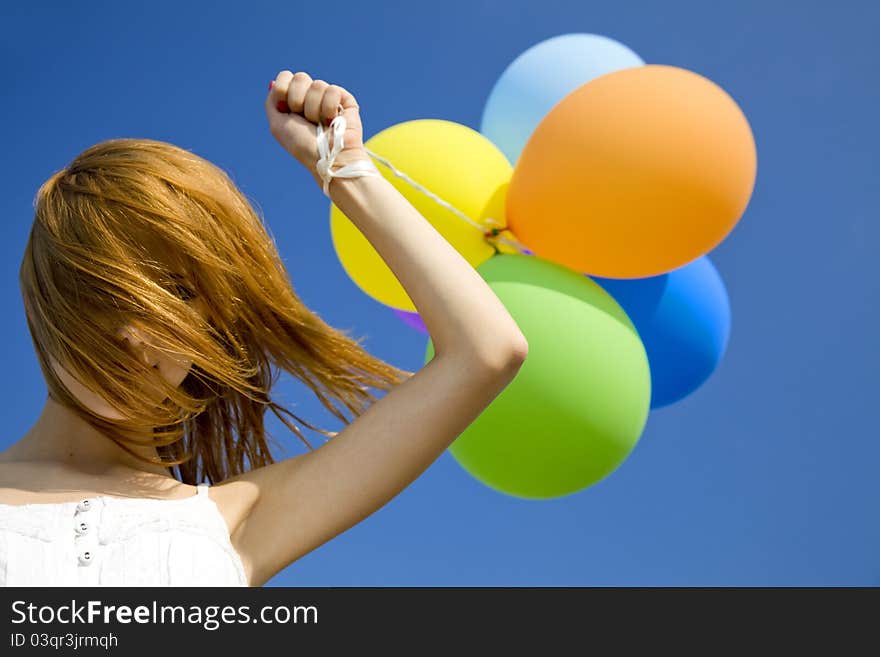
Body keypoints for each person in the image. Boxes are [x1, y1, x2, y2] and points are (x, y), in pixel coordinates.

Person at [0, 70, 528, 586]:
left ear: (211, 324)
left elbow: (486, 351)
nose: (137, 333)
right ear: (46, 303)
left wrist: (344, 169)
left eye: (179, 294)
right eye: (106, 293)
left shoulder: (237, 519)